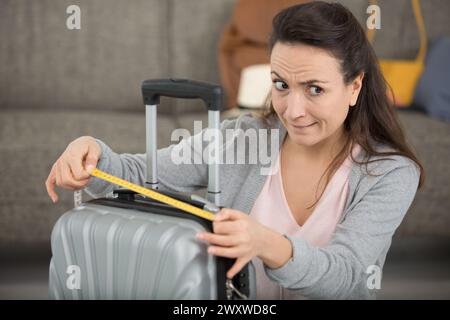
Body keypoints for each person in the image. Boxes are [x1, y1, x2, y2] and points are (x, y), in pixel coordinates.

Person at [45, 1, 424, 299]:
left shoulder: (389, 172)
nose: (292, 110)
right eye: (280, 84)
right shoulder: (241, 138)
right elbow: (137, 177)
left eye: (315, 89)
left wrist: (267, 243)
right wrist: (91, 153)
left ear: (355, 86)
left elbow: (347, 277)